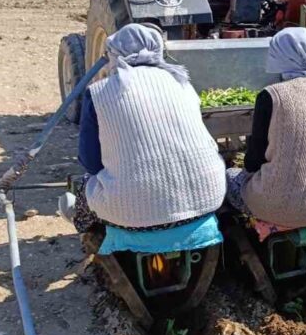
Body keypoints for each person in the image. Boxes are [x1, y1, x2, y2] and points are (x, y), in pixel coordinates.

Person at [76, 24, 226, 254]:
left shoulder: (98, 92)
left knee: (86, 186)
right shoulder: (182, 83)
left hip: (132, 214)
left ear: (113, 54)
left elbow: (90, 162)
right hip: (208, 199)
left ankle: (85, 232)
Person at [225, 28, 306, 229]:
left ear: (280, 56)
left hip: (275, 205)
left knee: (229, 177)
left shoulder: (271, 95)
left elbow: (253, 160)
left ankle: (249, 227)